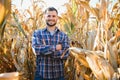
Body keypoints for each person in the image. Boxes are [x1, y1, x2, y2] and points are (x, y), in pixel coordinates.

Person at [32, 7, 70, 80]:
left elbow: (66, 53)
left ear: (57, 18)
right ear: (44, 17)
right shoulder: (37, 33)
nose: (51, 18)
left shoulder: (63, 35)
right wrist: (56, 48)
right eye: (48, 16)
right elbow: (36, 50)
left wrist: (45, 50)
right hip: (41, 75)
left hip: (59, 75)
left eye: (53, 16)